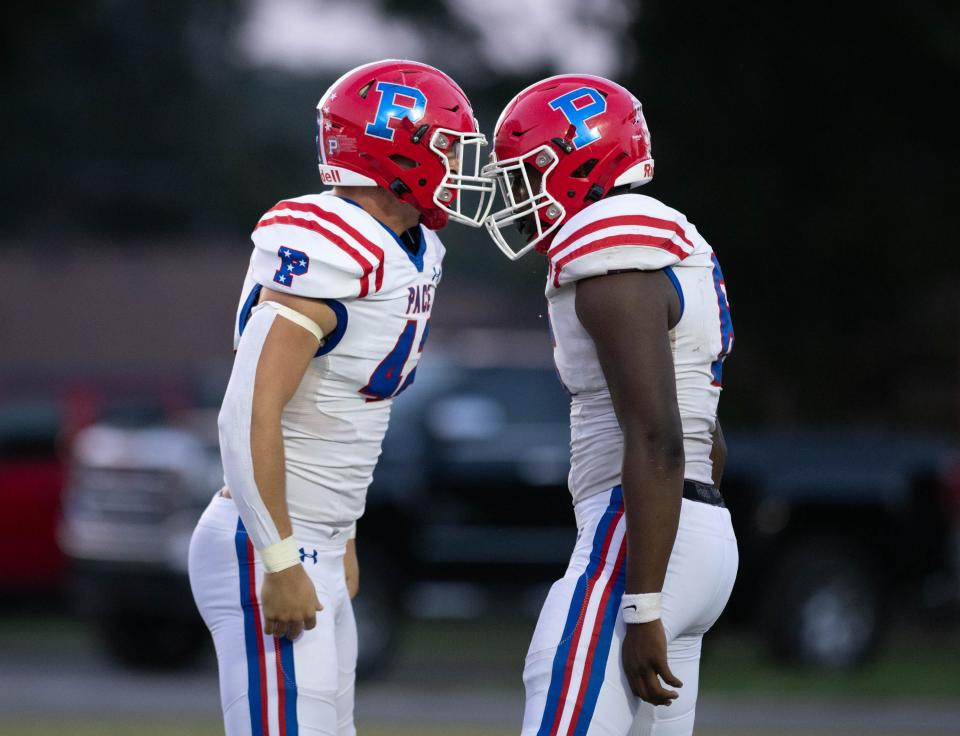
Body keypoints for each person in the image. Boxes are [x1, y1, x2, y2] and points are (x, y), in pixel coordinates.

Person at [188, 59, 492, 736]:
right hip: (266, 540)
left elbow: (343, 415)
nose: (459, 165)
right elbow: (247, 412)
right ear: (392, 150)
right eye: (445, 146)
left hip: (318, 537)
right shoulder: (329, 244)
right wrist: (278, 555)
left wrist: (341, 530)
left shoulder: (415, 250)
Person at [481, 75, 738, 735]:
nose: (518, 197)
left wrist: (644, 598)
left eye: (525, 175)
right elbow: (709, 438)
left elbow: (656, 435)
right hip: (699, 530)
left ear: (572, 164)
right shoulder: (675, 241)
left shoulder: (610, 246)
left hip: (640, 532)